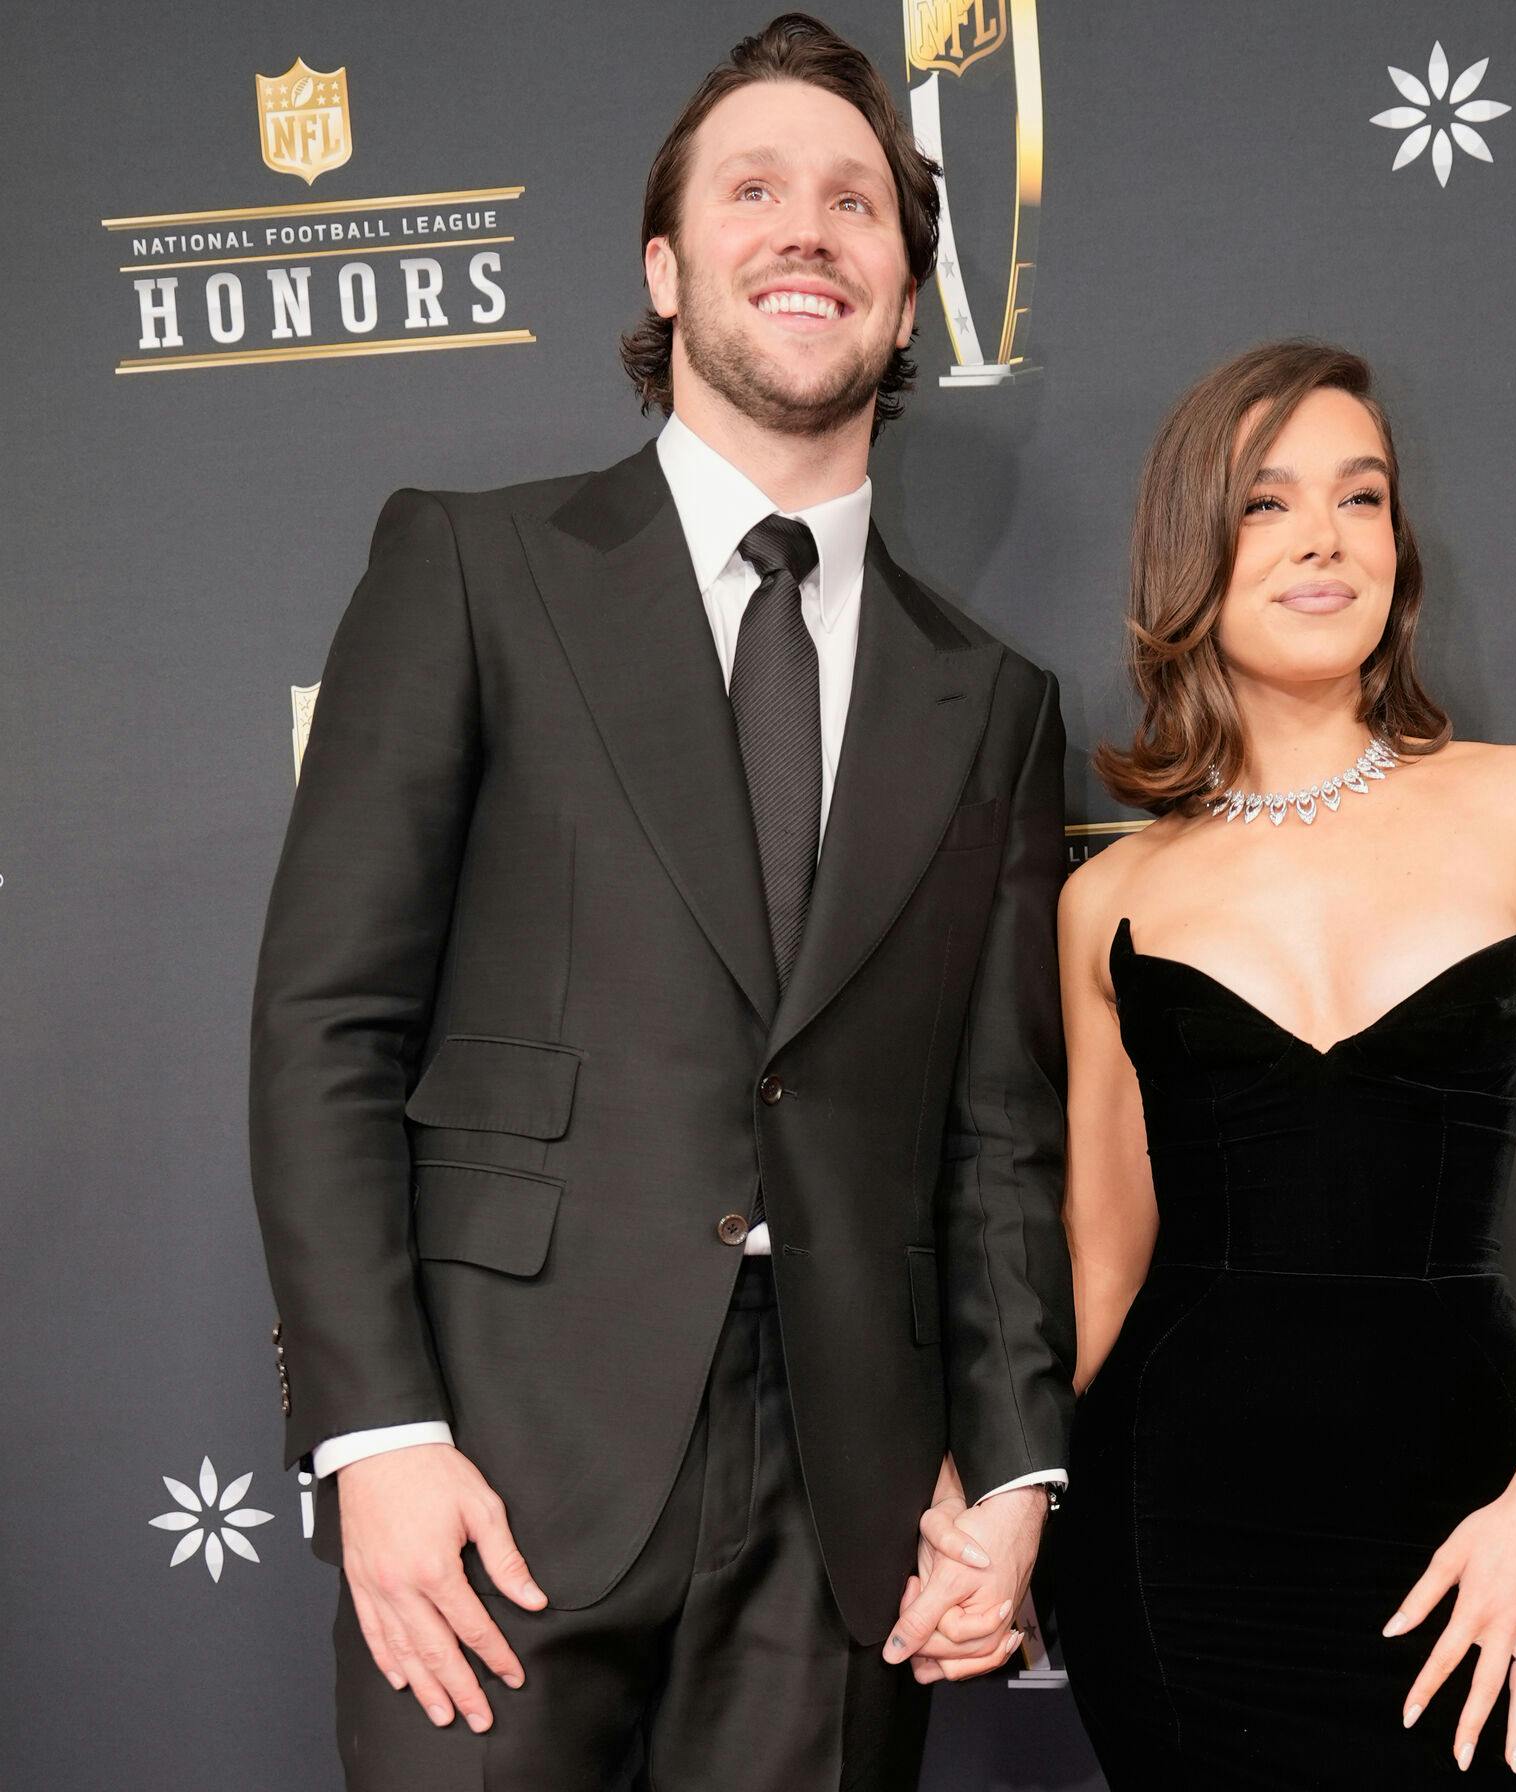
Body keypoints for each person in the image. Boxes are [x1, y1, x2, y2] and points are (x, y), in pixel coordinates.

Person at [247, 16, 1071, 1788]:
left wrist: (1011, 1478)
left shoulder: (991, 701)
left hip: (845, 1507)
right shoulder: (473, 569)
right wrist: (376, 1435)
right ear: (664, 265)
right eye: (753, 189)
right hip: (494, 1464)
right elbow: (329, 1025)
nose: (807, 229)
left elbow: (1001, 1133)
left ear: (907, 302)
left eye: (855, 201)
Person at [1053, 340, 1516, 1786]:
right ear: (1191, 551)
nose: (1325, 537)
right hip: (1172, 1534)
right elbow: (1103, 1260)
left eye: (1361, 497)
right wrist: (1017, 1506)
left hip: (1459, 1521)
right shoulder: (1112, 897)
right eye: (1267, 502)